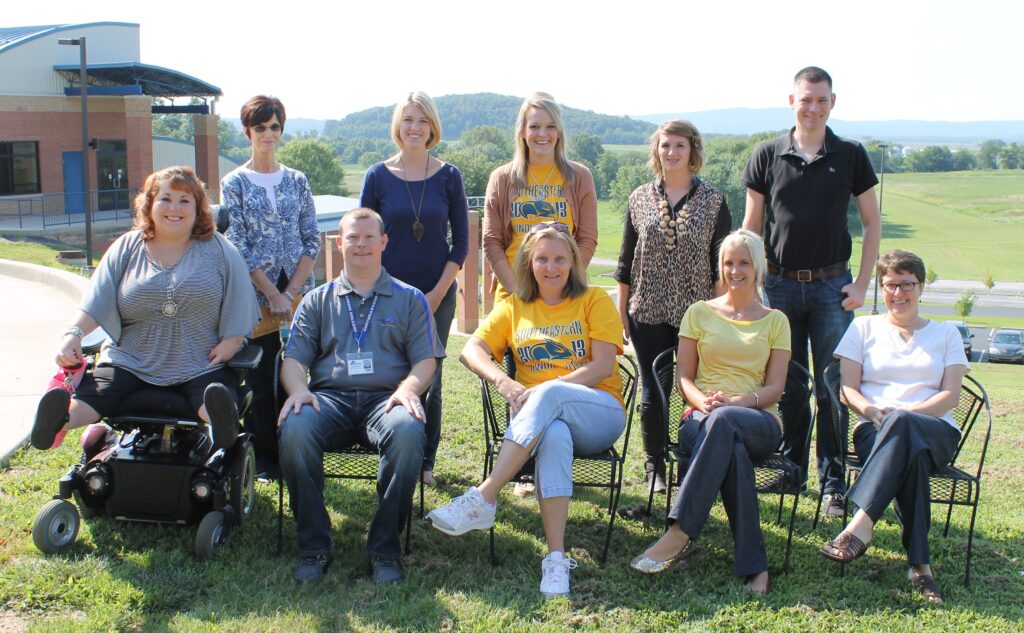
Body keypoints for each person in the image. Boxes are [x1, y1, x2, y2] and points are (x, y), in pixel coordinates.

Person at [427, 224, 625, 599]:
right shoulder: (514, 306)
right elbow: (470, 351)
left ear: (573, 262)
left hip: (599, 411)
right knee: (554, 434)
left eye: (560, 259)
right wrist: (503, 382)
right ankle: (556, 559)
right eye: (542, 259)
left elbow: (602, 367)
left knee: (551, 393)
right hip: (542, 422)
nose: (551, 267)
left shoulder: (594, 299)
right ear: (529, 264)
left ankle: (485, 495)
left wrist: (543, 390)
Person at [31, 166, 258, 453]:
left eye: (184, 200)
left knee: (211, 393)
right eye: (166, 199)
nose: (174, 208)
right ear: (150, 204)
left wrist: (233, 340)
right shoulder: (127, 247)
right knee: (100, 391)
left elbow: (240, 299)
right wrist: (73, 333)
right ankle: (58, 420)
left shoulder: (220, 249)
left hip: (199, 360)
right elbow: (97, 300)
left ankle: (222, 422)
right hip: (131, 359)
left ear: (198, 208)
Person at [277, 209, 445, 585]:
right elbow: (293, 362)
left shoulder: (410, 299)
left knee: (407, 431)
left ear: (384, 242)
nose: (361, 244)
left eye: (369, 237)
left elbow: (426, 362)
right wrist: (299, 390)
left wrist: (407, 390)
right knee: (295, 427)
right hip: (328, 401)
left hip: (387, 401)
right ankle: (314, 547)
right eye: (353, 237)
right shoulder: (316, 300)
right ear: (339, 243)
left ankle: (385, 549)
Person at [741, 66, 881, 515]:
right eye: (806, 99)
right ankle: (792, 470)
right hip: (778, 286)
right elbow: (751, 226)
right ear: (792, 101)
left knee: (832, 388)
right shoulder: (767, 155)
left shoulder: (851, 154)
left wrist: (862, 283)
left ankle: (833, 483)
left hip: (832, 289)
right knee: (789, 386)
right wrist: (750, 284)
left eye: (822, 100)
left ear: (832, 102)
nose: (814, 108)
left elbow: (872, 222)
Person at [629, 229, 791, 596]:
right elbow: (684, 378)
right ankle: (755, 565)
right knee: (730, 446)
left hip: (758, 418)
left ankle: (680, 530)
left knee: (725, 422)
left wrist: (736, 403)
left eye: (744, 263)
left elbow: (775, 388)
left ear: (758, 268)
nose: (735, 271)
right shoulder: (699, 312)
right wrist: (703, 403)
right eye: (729, 263)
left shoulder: (775, 320)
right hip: (701, 417)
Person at [819, 250, 968, 605]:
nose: (898, 293)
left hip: (935, 430)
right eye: (890, 285)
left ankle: (862, 522)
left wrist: (906, 413)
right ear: (880, 288)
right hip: (875, 428)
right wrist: (872, 412)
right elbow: (848, 389)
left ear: (921, 287)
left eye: (907, 285)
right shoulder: (863, 328)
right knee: (910, 456)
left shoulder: (946, 334)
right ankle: (920, 567)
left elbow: (950, 396)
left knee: (906, 427)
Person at [614, 120, 731, 495]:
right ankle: (655, 467)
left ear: (692, 150)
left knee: (692, 390)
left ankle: (687, 463)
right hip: (646, 309)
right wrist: (622, 309)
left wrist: (721, 312)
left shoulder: (713, 200)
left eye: (680, 145)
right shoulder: (639, 198)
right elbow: (626, 260)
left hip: (698, 312)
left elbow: (721, 264)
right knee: (654, 391)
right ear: (656, 150)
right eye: (665, 145)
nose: (672, 152)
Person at [360, 91, 469, 487]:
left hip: (436, 295)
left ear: (432, 126)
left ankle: (425, 461)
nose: (415, 127)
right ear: (398, 125)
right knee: (388, 372)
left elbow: (461, 243)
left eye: (422, 120)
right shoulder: (377, 176)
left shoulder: (450, 176)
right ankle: (390, 449)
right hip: (386, 294)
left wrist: (437, 293)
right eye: (408, 119)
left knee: (430, 378)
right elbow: (364, 237)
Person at [222, 95, 321, 480]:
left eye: (274, 126)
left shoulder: (298, 180)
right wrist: (272, 294)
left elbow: (311, 237)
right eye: (260, 127)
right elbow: (238, 243)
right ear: (247, 132)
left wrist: (291, 292)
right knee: (261, 377)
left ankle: (302, 446)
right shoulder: (234, 183)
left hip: (298, 290)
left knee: (301, 367)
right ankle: (266, 456)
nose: (268, 133)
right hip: (254, 293)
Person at [483, 91, 598, 301]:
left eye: (550, 126)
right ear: (522, 132)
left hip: (563, 294)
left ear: (559, 132)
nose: (542, 133)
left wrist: (564, 285)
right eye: (534, 126)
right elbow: (492, 241)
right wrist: (518, 290)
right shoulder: (502, 179)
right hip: (513, 293)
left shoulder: (580, 176)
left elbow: (587, 239)